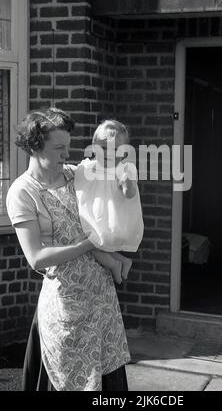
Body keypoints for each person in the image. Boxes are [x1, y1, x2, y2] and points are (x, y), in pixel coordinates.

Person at [6, 108, 130, 391]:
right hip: (65, 307)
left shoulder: (77, 176)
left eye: (68, 146)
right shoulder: (23, 192)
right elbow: (36, 257)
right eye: (59, 147)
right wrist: (89, 243)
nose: (66, 154)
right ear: (35, 147)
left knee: (109, 381)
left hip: (101, 301)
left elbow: (115, 188)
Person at [74, 120, 144, 284]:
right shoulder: (86, 167)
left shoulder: (125, 170)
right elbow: (72, 178)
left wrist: (128, 184)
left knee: (89, 243)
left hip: (112, 219)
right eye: (104, 148)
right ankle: (123, 261)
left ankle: (113, 264)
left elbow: (129, 194)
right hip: (94, 216)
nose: (108, 153)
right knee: (94, 243)